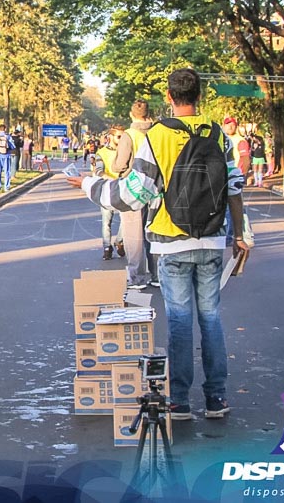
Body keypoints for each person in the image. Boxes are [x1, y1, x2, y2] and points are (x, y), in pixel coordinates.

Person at [68, 68, 249, 421]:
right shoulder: (218, 134)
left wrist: (89, 185)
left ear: (169, 97)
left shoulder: (157, 136)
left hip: (170, 242)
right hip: (211, 240)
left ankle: (179, 400)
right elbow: (235, 188)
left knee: (180, 321)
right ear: (201, 95)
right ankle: (216, 398)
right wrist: (239, 235)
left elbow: (134, 194)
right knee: (211, 318)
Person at [114, 100, 154, 289]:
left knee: (133, 235)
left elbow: (121, 164)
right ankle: (156, 275)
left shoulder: (129, 136)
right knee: (152, 232)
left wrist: (115, 167)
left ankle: (137, 277)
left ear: (131, 114)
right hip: (154, 188)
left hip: (133, 188)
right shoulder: (156, 132)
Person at [94, 126, 125, 261]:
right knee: (106, 221)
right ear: (110, 137)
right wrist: (111, 179)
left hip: (123, 189)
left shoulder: (126, 150)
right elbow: (98, 171)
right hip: (107, 190)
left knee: (126, 219)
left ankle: (119, 241)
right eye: (119, 137)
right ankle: (107, 248)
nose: (121, 139)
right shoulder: (101, 152)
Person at [0, 124, 15, 193]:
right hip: (6, 155)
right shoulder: (8, 137)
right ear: (5, 129)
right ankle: (6, 187)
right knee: (7, 172)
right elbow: (13, 146)